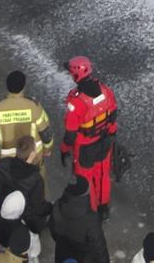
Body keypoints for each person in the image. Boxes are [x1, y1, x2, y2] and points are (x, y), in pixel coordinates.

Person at [60, 57, 118, 215]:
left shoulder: (77, 101)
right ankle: (103, 208)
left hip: (85, 146)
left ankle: (91, 213)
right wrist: (112, 135)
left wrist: (64, 149)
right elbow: (113, 115)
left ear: (75, 75)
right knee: (102, 175)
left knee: (85, 180)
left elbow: (70, 133)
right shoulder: (105, 90)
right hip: (105, 141)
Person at [0, 71, 52, 180]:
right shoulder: (34, 106)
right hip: (33, 159)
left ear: (7, 87)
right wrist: (47, 149)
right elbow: (46, 133)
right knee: (37, 190)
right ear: (23, 87)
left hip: (6, 164)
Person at [48, 179, 108, 263]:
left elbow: (52, 228)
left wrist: (62, 243)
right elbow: (98, 247)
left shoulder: (57, 205)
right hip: (84, 257)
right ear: (86, 194)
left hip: (62, 253)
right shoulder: (91, 218)